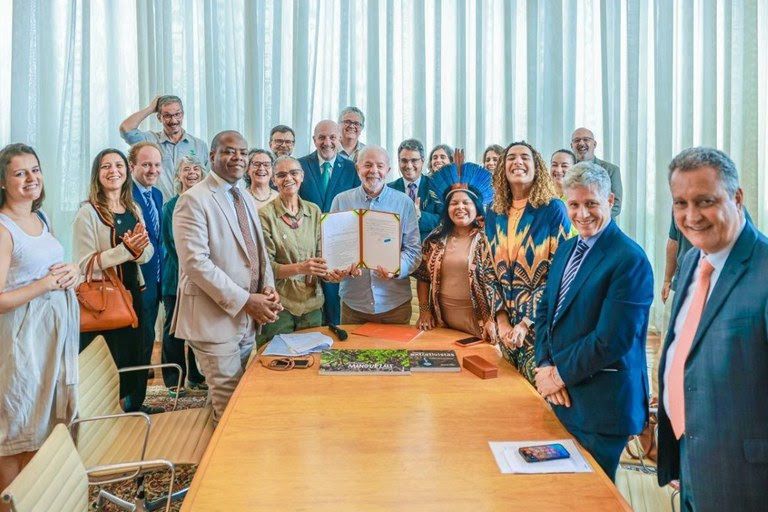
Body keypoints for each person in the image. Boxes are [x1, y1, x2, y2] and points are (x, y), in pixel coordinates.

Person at [657, 147, 768, 511]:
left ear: (737, 198)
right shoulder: (692, 261)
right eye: (680, 203)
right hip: (692, 468)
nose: (691, 217)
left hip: (746, 483)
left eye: (704, 201)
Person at [533, 162, 653, 481]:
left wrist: (558, 375)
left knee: (594, 497)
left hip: (603, 406)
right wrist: (545, 365)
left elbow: (612, 339)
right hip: (563, 395)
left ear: (610, 201)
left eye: (591, 204)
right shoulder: (567, 248)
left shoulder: (630, 259)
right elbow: (547, 310)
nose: (582, 214)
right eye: (574, 205)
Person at [172, 130, 281, 424]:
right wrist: (246, 300)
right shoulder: (193, 200)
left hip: (246, 321)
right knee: (231, 408)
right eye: (229, 151)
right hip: (213, 321)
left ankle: (210, 458)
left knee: (229, 400)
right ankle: (225, 469)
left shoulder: (242, 194)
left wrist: (268, 287)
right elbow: (196, 264)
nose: (238, 158)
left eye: (243, 153)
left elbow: (257, 252)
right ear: (212, 156)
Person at [0, 144, 79, 501]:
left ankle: (37, 501)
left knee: (42, 425)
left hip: (50, 339)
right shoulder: (4, 229)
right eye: (20, 173)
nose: (31, 178)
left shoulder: (41, 218)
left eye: (35, 169)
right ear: (3, 182)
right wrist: (46, 284)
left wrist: (72, 272)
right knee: (15, 430)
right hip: (20, 343)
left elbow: (48, 266)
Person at [74, 148, 154, 413]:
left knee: (136, 353)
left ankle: (132, 410)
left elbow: (147, 252)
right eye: (106, 167)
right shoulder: (88, 212)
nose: (113, 171)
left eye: (118, 165)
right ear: (97, 174)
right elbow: (85, 263)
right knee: (109, 360)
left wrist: (138, 251)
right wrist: (125, 251)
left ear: (127, 171)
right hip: (104, 300)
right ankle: (106, 418)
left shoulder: (134, 208)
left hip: (134, 292)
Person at [485, 141, 570, 383]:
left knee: (540, 399)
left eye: (525, 157)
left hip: (541, 325)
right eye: (511, 157)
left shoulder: (553, 209)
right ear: (503, 167)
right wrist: (502, 322)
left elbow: (560, 273)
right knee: (510, 397)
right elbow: (489, 270)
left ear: (537, 168)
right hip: (507, 329)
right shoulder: (493, 211)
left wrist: (524, 323)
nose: (517, 162)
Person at [328, 146, 421, 324]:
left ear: (388, 170)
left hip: (394, 304)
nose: (374, 171)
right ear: (357, 168)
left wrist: (395, 268)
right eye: (367, 165)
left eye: (380, 166)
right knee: (352, 353)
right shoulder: (341, 201)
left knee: (396, 353)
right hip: (353, 304)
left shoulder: (404, 203)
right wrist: (339, 268)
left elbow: (414, 251)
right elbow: (334, 247)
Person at [413, 162, 504, 338]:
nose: (460, 207)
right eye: (454, 203)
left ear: (476, 207)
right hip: (442, 322)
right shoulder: (435, 238)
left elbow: (500, 284)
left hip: (480, 322)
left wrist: (495, 319)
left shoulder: (490, 239)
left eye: (466, 203)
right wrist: (424, 311)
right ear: (447, 209)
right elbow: (423, 277)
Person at [256, 156, 325, 347]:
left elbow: (322, 255)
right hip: (279, 305)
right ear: (273, 180)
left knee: (311, 362)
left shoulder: (314, 211)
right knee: (277, 364)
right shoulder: (264, 215)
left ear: (302, 176)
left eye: (294, 173)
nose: (289, 178)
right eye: (281, 175)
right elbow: (265, 266)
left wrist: (334, 272)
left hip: (312, 304)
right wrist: (301, 268)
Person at [298, 120, 360, 326]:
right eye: (322, 137)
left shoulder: (352, 169)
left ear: (339, 139)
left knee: (335, 297)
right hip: (306, 242)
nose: (327, 142)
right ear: (314, 139)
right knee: (309, 300)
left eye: (332, 137)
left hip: (339, 242)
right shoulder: (300, 166)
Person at [160, 156, 206, 396]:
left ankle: (196, 376)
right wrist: (194, 270)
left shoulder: (207, 201)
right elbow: (172, 244)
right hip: (175, 278)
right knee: (174, 330)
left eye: (196, 168)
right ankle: (173, 381)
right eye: (186, 169)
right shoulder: (171, 205)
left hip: (201, 279)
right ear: (178, 176)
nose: (192, 173)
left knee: (197, 328)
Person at [128, 141, 165, 410]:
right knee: (140, 343)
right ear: (133, 167)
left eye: (156, 165)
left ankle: (137, 398)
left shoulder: (158, 196)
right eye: (146, 164)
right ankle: (134, 403)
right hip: (138, 283)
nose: (152, 170)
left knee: (148, 338)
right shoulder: (125, 196)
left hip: (158, 278)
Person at [119, 95, 209, 200]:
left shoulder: (199, 145)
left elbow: (207, 182)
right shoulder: (149, 141)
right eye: (167, 116)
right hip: (159, 211)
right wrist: (150, 109)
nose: (173, 120)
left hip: (191, 210)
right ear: (159, 117)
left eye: (177, 114)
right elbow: (126, 129)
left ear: (183, 115)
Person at [388, 138, 442, 240]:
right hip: (397, 250)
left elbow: (443, 221)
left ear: (422, 161)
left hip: (427, 250)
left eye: (414, 160)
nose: (409, 166)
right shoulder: (389, 189)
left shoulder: (436, 187)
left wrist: (420, 216)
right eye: (404, 160)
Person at [570, 127, 622, 218]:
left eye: (586, 139)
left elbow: (616, 206)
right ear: (571, 146)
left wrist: (588, 218)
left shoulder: (611, 170)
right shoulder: (566, 170)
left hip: (601, 228)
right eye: (577, 140)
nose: (581, 143)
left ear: (594, 144)